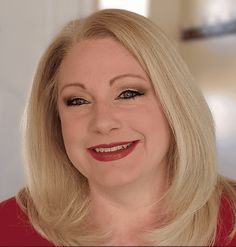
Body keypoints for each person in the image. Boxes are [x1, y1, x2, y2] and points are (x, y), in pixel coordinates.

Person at [0, 8, 236, 246]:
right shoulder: (5, 228)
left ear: (176, 103)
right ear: (55, 120)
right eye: (78, 101)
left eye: (128, 93)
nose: (102, 122)